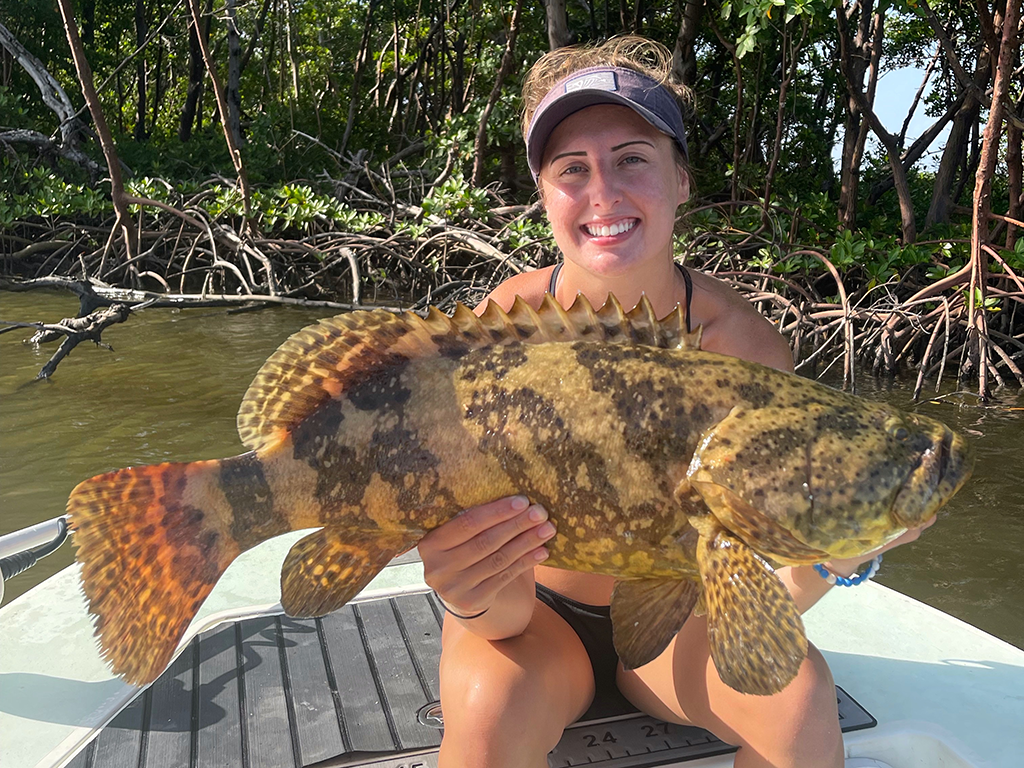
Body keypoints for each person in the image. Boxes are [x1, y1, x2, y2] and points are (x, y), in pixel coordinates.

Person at [416, 36, 932, 768]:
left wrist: (843, 553)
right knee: (486, 715)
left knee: (801, 705)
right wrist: (468, 591)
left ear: (682, 180)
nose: (603, 192)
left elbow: (757, 586)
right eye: (572, 169)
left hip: (682, 620)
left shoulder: (745, 350)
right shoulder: (502, 325)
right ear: (544, 196)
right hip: (529, 620)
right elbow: (487, 590)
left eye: (633, 158)